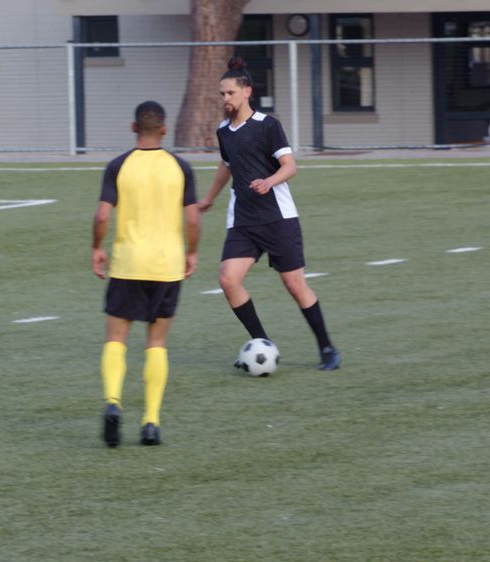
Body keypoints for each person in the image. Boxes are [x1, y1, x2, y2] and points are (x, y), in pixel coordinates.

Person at [198, 57, 341, 371]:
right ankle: (262, 343)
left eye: (230, 93)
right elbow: (227, 165)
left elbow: (290, 166)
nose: (225, 100)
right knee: (228, 279)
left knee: (294, 285)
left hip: (278, 219)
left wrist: (269, 181)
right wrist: (208, 198)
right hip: (243, 221)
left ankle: (327, 348)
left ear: (247, 91)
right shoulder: (223, 131)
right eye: (221, 94)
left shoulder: (268, 125)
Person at [91, 101, 201, 448]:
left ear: (133, 127)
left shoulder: (118, 166)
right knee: (156, 343)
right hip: (166, 265)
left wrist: (97, 248)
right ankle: (151, 422)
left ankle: (112, 402)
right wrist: (193, 251)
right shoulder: (180, 167)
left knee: (115, 339)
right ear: (164, 130)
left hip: (127, 264)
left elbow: (102, 216)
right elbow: (194, 218)